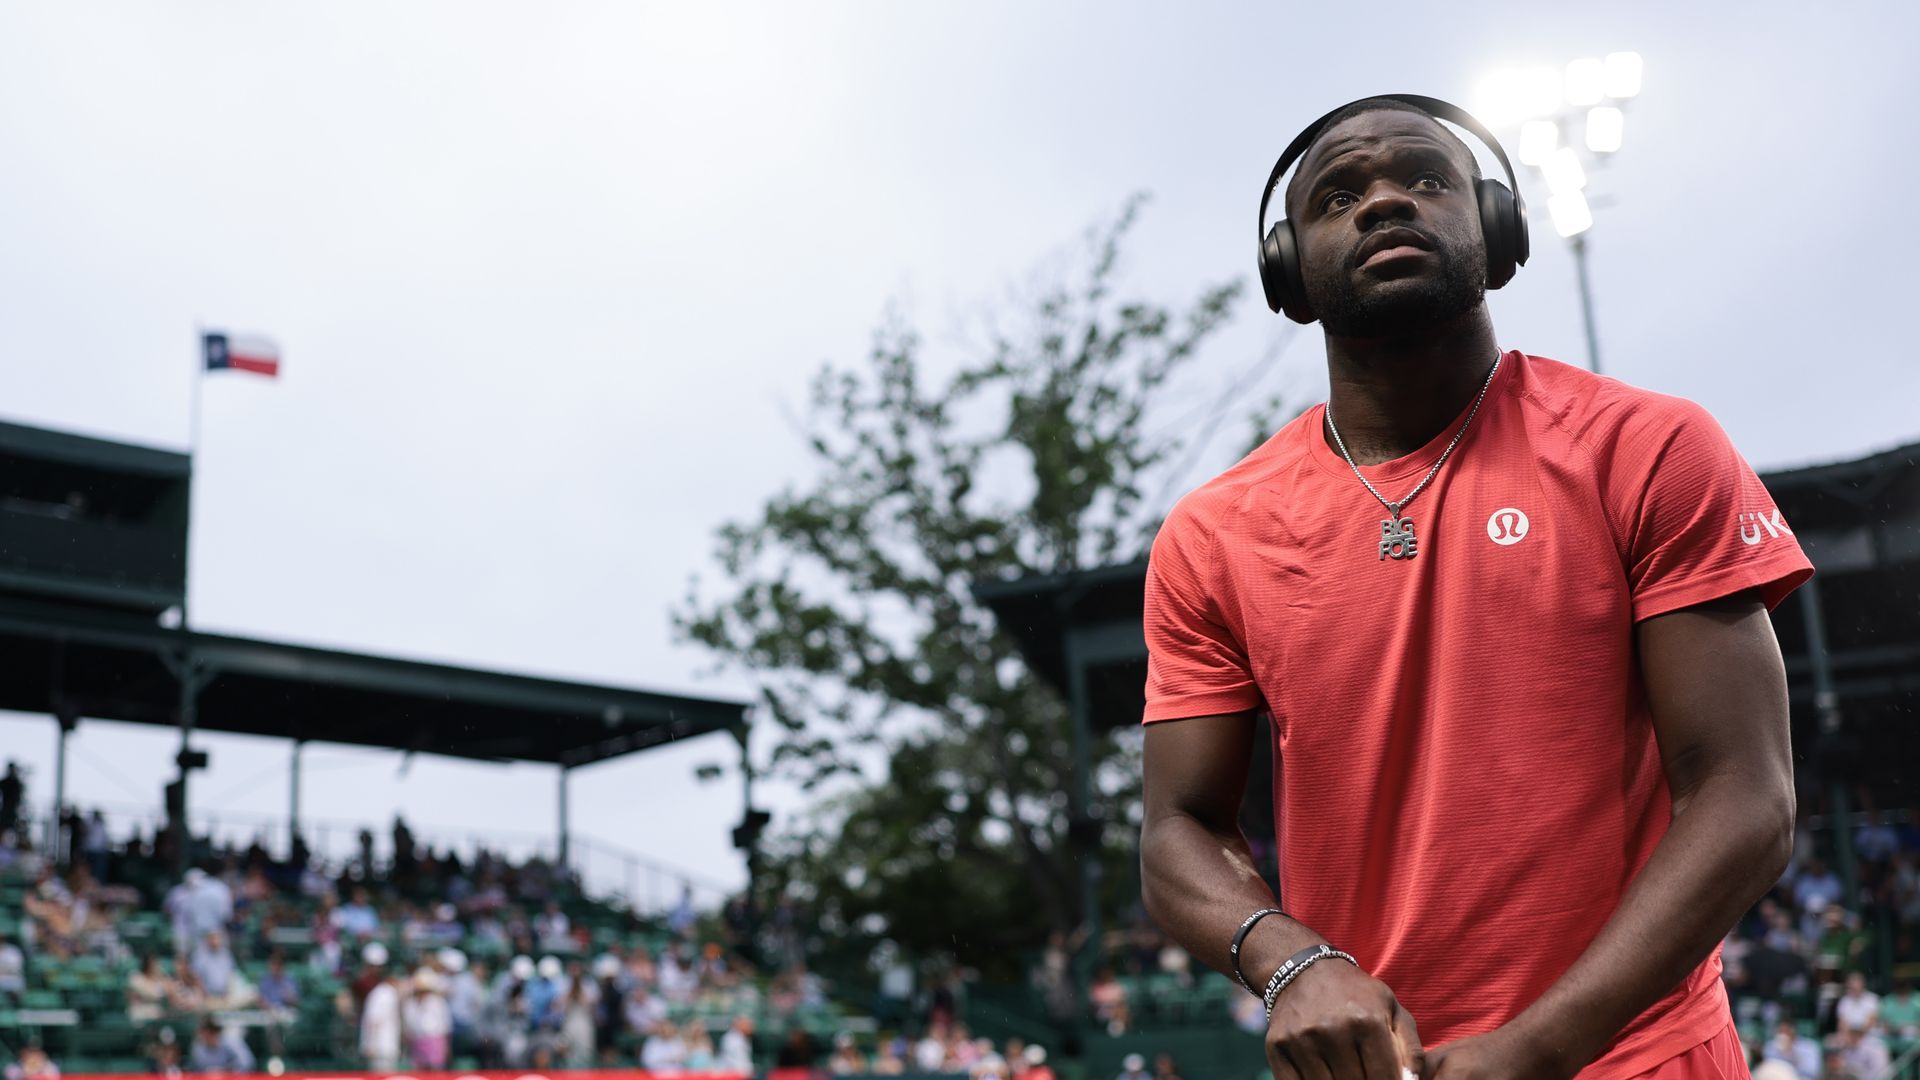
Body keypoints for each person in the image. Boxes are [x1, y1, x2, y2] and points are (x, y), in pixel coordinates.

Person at [1139, 94, 1812, 1080]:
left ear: (1496, 232)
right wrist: (1294, 965)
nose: (1381, 205)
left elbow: (1747, 795)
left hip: (1643, 1057)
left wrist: (1540, 1047)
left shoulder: (1651, 449)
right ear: (1287, 270)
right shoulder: (1211, 535)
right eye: (1338, 195)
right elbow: (1178, 827)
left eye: (1422, 179)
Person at [187, 1018, 254, 1073]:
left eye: (209, 1033)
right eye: (202, 1033)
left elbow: (247, 1062)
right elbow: (197, 1069)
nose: (204, 1037)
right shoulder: (198, 1047)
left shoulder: (231, 1041)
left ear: (215, 1032)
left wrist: (226, 1070)